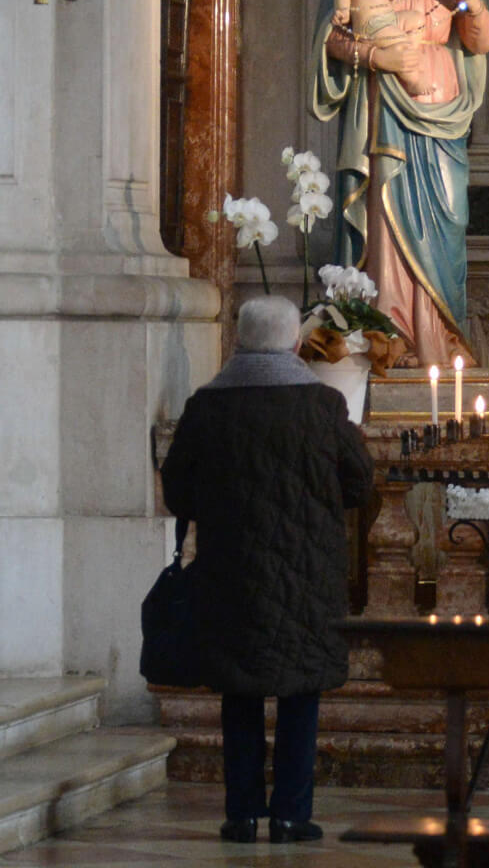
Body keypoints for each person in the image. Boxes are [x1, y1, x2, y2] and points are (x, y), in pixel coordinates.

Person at [158, 295, 374, 845]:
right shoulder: (323, 405)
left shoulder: (207, 406)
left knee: (239, 691)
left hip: (230, 572)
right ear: (297, 344)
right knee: (301, 693)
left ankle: (241, 814)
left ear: (239, 341)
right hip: (308, 574)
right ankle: (291, 815)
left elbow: (177, 490)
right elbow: (359, 482)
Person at [311, 0, 489, 369]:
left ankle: (441, 336)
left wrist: (469, 3)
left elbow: (479, 41)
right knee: (386, 215)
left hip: (442, 108)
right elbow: (331, 37)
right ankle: (390, 336)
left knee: (447, 217)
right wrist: (377, 57)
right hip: (384, 103)